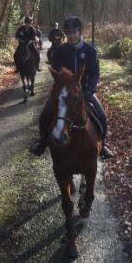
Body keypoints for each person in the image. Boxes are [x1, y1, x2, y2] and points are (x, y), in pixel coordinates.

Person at [29, 16, 113, 159]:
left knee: (101, 115)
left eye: (74, 32)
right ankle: (42, 143)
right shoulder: (60, 51)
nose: (71, 35)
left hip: (85, 91)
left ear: (80, 32)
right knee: (45, 114)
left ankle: (103, 145)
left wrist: (90, 90)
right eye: (69, 33)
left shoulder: (90, 50)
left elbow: (94, 73)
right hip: (64, 93)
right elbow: (56, 73)